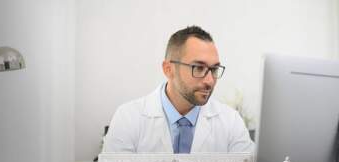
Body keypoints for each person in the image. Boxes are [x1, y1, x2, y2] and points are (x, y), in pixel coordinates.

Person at [103, 26, 254, 153]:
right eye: (199, 68)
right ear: (169, 69)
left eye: (214, 69)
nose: (210, 81)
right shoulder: (128, 119)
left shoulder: (231, 122)